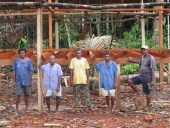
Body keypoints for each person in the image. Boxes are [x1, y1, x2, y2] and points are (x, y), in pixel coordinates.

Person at [13, 48, 33, 115]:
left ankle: (26, 108)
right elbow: (14, 70)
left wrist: (30, 80)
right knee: (17, 95)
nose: (22, 54)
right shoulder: (16, 61)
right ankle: (16, 108)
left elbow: (30, 70)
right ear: (19, 53)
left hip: (26, 81)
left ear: (25, 53)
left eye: (23, 53)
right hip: (18, 81)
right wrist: (14, 80)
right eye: (21, 53)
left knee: (26, 95)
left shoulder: (28, 61)